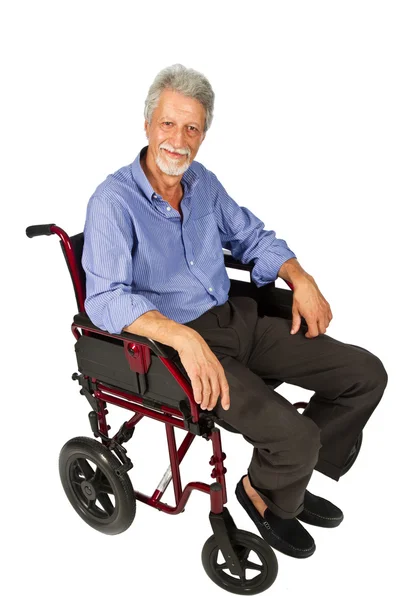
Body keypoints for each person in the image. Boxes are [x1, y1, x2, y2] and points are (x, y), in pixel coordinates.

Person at [82, 64, 388, 559]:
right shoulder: (113, 202)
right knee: (296, 435)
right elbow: (105, 298)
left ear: (203, 136)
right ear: (146, 125)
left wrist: (299, 276)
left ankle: (284, 477)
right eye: (168, 124)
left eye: (192, 128)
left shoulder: (203, 184)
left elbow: (250, 236)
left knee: (365, 375)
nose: (178, 140)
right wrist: (182, 338)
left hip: (237, 319)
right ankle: (267, 494)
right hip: (175, 350)